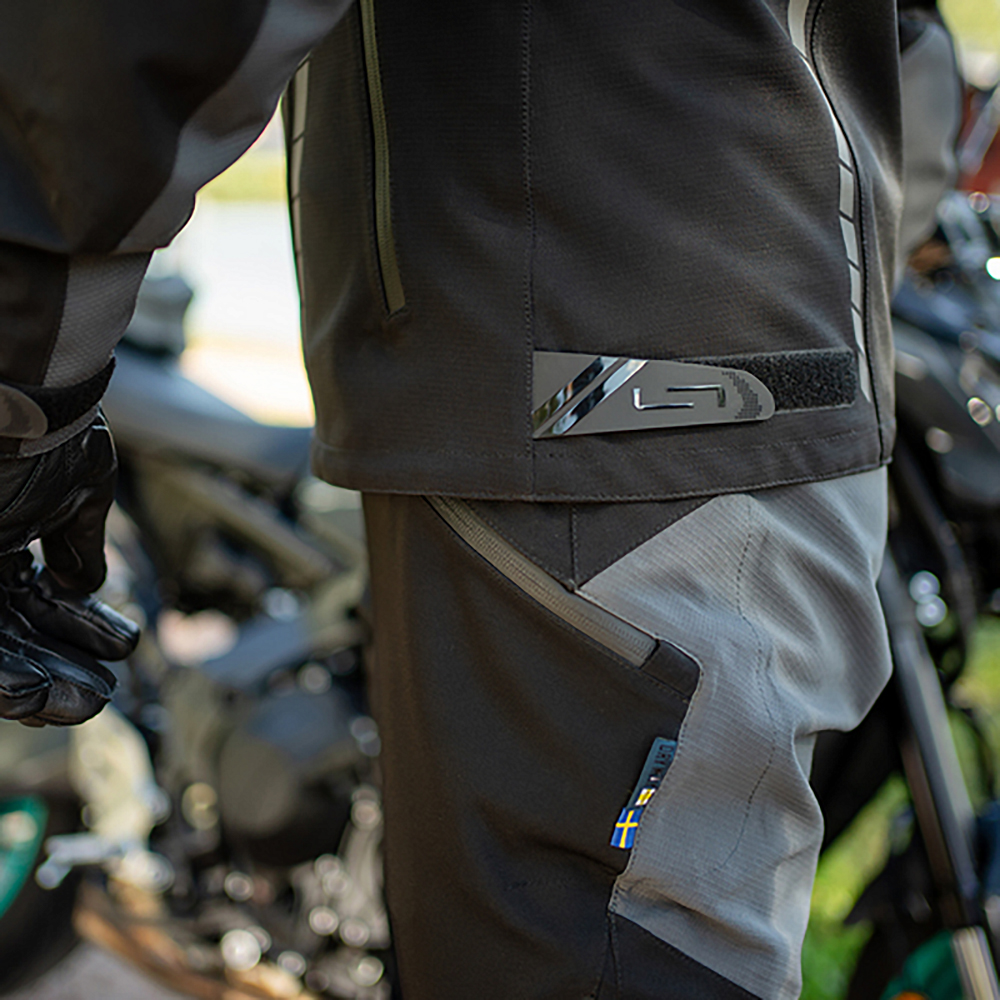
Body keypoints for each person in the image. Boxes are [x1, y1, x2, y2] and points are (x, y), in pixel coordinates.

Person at [0, 1, 933, 996]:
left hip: (587, 442)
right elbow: (911, 56)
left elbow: (164, 30)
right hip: (687, 416)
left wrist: (28, 389)